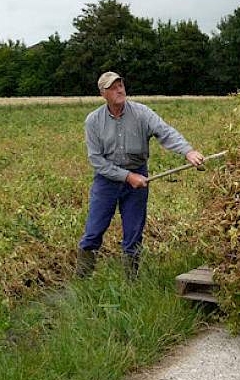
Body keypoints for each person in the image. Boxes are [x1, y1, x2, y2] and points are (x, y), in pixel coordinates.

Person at [76, 71, 204, 278]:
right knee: (93, 231)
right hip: (107, 181)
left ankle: (132, 282)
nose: (119, 89)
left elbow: (166, 132)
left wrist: (188, 151)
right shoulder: (93, 121)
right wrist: (127, 177)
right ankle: (82, 279)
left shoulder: (142, 113)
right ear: (103, 93)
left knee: (134, 233)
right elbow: (96, 160)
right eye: (113, 87)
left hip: (138, 176)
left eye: (120, 85)